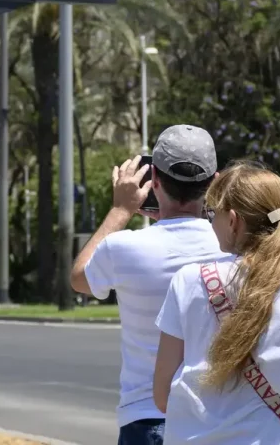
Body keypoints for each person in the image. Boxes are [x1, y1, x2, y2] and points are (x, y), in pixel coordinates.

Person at [153, 161, 280, 445]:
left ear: (233, 221)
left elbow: (162, 395)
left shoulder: (188, 281)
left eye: (211, 213)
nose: (210, 222)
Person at [70, 124, 229, 445]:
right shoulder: (232, 248)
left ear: (154, 179)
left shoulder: (124, 249)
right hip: (219, 420)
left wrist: (120, 210)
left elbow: (79, 277)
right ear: (213, 183)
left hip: (146, 418)